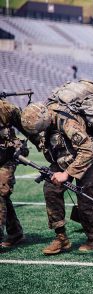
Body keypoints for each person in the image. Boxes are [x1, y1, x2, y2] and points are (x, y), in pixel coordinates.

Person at [21, 88, 93, 254]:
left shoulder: (67, 122)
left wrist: (67, 174)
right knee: (51, 190)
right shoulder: (42, 122)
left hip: (89, 160)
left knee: (85, 199)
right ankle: (61, 238)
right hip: (64, 157)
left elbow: (88, 151)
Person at [0, 99, 29, 250]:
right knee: (2, 196)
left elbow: (27, 128)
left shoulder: (7, 109)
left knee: (0, 191)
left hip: (8, 157)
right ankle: (16, 233)